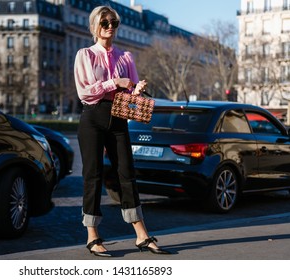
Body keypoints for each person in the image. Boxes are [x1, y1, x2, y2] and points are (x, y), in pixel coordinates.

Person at [74, 5, 171, 257]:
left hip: (118, 118)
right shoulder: (85, 55)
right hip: (92, 117)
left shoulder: (126, 57)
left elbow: (130, 90)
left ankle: (142, 235)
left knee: (127, 174)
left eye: (114, 23)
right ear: (94, 25)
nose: (110, 27)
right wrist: (114, 82)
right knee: (92, 176)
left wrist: (135, 91)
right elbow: (85, 92)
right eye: (105, 22)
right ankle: (92, 236)